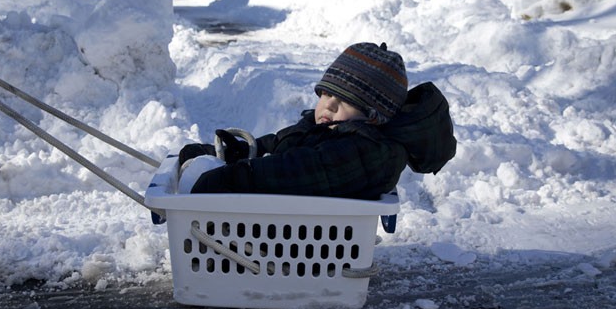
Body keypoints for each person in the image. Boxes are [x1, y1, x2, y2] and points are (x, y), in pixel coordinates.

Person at [178, 42, 456, 200]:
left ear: (373, 116)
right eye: (326, 93)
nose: (329, 105)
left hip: (311, 250)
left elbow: (302, 171)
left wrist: (239, 176)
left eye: (346, 101)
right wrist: (239, 152)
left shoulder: (374, 153)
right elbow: (280, 145)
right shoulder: (325, 126)